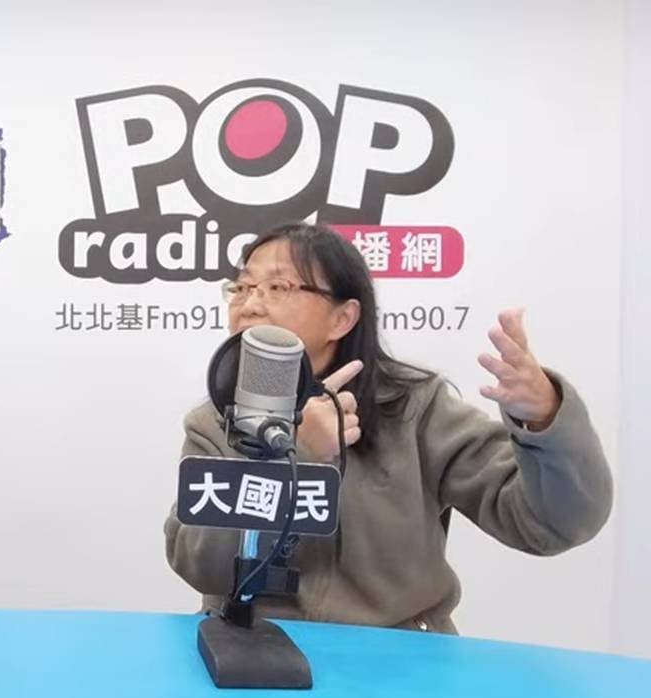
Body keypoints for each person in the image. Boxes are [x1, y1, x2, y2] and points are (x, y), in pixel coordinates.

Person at [165, 222, 611, 633]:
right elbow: (198, 565)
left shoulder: (415, 407)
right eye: (242, 287)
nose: (249, 305)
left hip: (401, 659)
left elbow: (550, 525)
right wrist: (295, 454)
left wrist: (544, 419)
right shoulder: (212, 422)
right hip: (256, 653)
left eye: (278, 286)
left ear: (342, 318)